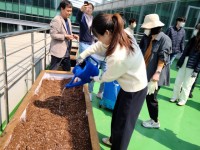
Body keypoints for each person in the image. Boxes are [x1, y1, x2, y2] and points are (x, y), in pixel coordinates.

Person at [78, 13, 147, 150]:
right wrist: (83, 54)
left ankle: (118, 145)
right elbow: (100, 46)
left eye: (98, 36)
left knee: (124, 125)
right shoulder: (119, 34)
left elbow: (107, 77)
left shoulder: (118, 56)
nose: (97, 39)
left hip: (135, 89)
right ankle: (113, 139)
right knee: (117, 116)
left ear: (107, 32)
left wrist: (92, 77)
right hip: (127, 85)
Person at [139, 14, 172, 128]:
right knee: (146, 95)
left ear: (152, 27)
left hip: (155, 75)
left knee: (151, 97)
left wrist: (156, 75)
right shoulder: (148, 37)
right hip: (147, 72)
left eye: (147, 27)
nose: (145, 29)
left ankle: (155, 121)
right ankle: (152, 119)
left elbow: (163, 58)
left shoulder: (164, 39)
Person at [76, 2, 106, 101]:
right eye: (86, 8)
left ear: (93, 10)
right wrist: (81, 10)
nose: (88, 9)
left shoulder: (94, 20)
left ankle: (95, 90)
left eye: (90, 8)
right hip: (84, 43)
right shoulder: (83, 17)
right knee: (83, 62)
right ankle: (81, 80)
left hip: (93, 44)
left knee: (91, 65)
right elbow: (77, 19)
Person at [170, 23, 200, 106]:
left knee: (187, 84)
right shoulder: (193, 39)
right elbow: (184, 52)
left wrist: (196, 70)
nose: (195, 29)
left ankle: (183, 99)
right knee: (178, 81)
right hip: (184, 62)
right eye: (196, 27)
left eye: (197, 28)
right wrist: (179, 62)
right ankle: (175, 96)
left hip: (192, 66)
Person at [49, 0, 78, 71]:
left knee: (67, 71)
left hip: (67, 51)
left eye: (71, 11)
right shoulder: (56, 20)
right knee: (53, 71)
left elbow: (67, 32)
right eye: (68, 11)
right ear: (62, 9)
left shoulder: (68, 20)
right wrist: (65, 36)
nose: (70, 13)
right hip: (57, 51)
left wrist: (73, 35)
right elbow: (53, 34)